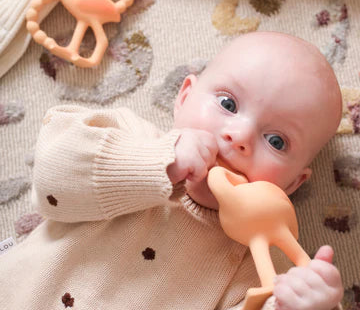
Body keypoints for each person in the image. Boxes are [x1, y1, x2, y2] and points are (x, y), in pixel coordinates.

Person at [0, 32, 344, 310]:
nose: (238, 137)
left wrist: (299, 304)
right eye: (228, 104)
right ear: (184, 97)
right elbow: (50, 182)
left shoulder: (264, 258)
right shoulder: (129, 137)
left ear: (293, 184)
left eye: (277, 141)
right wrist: (156, 162)